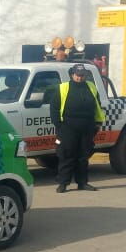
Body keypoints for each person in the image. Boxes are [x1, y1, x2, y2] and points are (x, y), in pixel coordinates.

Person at [51, 64, 105, 193]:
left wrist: (97, 124)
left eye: (82, 75)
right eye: (77, 75)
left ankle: (82, 183)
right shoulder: (63, 88)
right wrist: (59, 126)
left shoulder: (91, 87)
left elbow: (97, 106)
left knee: (83, 156)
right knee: (67, 156)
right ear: (72, 75)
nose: (80, 78)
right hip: (68, 128)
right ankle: (63, 183)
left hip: (87, 128)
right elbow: (54, 108)